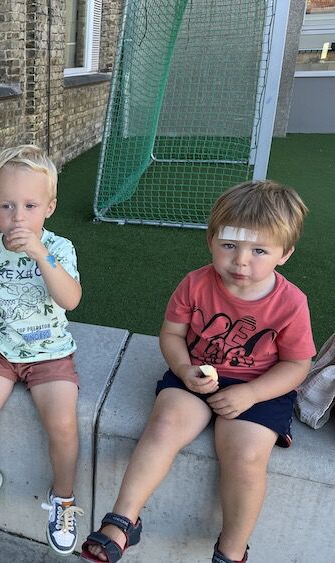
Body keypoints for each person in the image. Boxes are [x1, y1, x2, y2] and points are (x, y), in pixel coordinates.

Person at [82, 180, 315, 563]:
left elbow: (297, 365)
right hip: (195, 374)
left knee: (245, 458)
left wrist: (252, 393)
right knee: (164, 426)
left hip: (260, 386)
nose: (241, 261)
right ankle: (122, 521)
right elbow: (172, 334)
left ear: (284, 254)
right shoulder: (195, 283)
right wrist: (183, 367)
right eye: (229, 245)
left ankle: (231, 551)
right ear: (211, 240)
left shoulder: (290, 303)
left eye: (259, 250)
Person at [0, 145, 83, 555]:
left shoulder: (59, 248)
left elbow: (71, 299)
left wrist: (40, 254)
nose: (18, 217)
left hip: (51, 353)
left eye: (30, 206)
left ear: (50, 208)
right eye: (7, 206)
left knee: (62, 425)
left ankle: (63, 499)